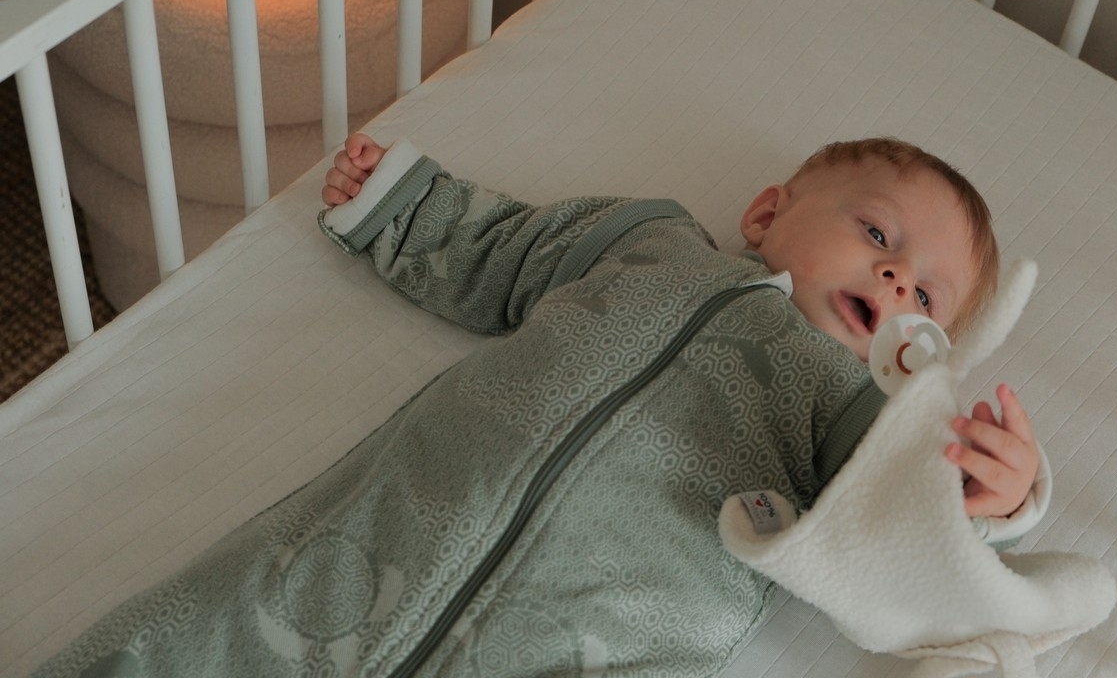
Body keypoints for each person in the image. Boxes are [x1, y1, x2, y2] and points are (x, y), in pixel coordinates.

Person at [36, 134, 1045, 678]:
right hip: (395, 524)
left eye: (926, 296)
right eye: (878, 234)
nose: (895, 277)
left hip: (604, 628)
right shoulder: (651, 243)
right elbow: (507, 249)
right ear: (768, 212)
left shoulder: (860, 407)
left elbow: (899, 529)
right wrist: (405, 205)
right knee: (208, 628)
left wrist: (986, 496)